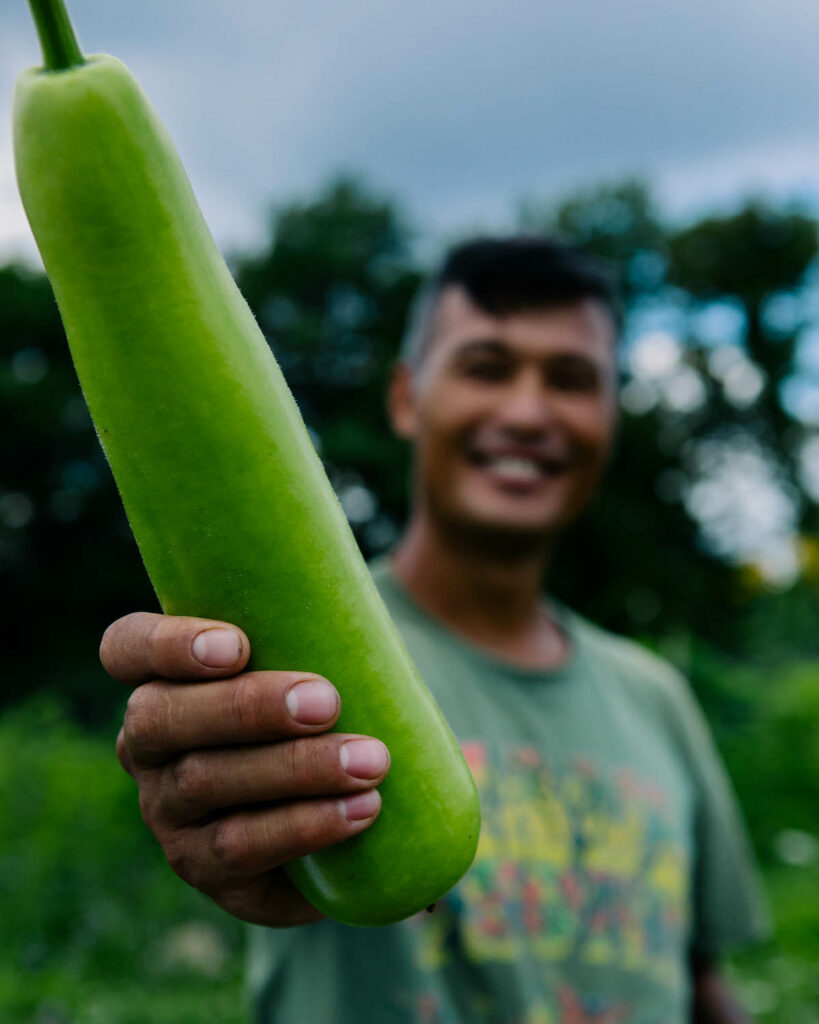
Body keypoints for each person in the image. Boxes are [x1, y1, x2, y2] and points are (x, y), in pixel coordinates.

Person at [101, 237, 769, 1023]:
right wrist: (215, 818)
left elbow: (700, 984)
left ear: (611, 415)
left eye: (571, 379)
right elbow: (221, 818)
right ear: (406, 396)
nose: (526, 412)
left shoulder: (657, 697)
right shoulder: (282, 664)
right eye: (486, 368)